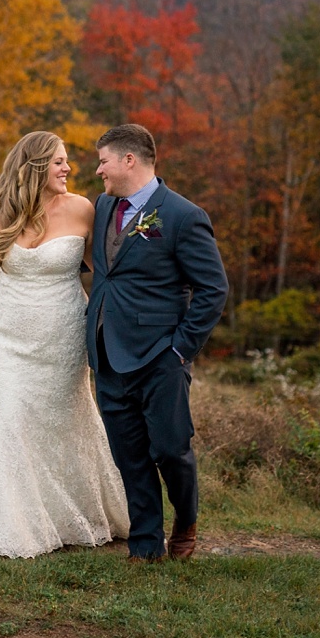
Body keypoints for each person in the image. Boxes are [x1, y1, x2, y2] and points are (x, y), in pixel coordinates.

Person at [0, 130, 130, 558]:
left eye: (67, 160)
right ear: (34, 167)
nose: (68, 168)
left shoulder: (84, 209)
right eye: (58, 162)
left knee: (63, 420)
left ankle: (70, 515)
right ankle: (17, 526)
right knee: (10, 422)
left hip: (64, 333)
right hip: (8, 335)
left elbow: (105, 271)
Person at [86, 123, 227, 562]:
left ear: (130, 160)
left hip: (160, 355)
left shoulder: (184, 216)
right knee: (128, 455)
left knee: (170, 450)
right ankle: (145, 546)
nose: (98, 170)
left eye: (103, 160)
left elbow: (213, 289)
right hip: (107, 351)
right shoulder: (104, 207)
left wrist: (181, 348)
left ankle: (186, 519)